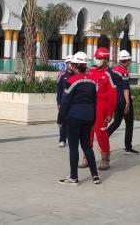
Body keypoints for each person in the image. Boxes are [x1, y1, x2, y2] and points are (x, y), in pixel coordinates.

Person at [57, 52, 101, 185]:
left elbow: (65, 101)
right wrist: (93, 118)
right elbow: (95, 101)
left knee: (74, 147)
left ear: (75, 66)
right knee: (87, 146)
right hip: (88, 117)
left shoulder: (71, 81)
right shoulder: (92, 81)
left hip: (74, 117)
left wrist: (60, 119)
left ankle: (74, 177)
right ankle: (95, 176)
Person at [83, 47, 117, 170]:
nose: (97, 60)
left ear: (106, 60)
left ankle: (105, 158)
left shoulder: (110, 74)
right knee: (87, 132)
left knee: (101, 133)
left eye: (100, 58)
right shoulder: (90, 72)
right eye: (96, 58)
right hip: (89, 106)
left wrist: (110, 112)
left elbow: (113, 96)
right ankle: (87, 156)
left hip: (102, 108)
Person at [107, 49, 139, 154]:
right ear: (127, 60)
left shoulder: (113, 69)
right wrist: (128, 103)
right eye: (129, 60)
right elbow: (125, 88)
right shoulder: (124, 72)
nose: (129, 62)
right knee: (129, 123)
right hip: (123, 101)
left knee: (116, 122)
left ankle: (104, 136)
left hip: (115, 100)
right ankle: (128, 147)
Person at [56, 54, 74, 148]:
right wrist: (59, 102)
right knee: (62, 120)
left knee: (72, 121)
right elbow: (59, 90)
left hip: (74, 102)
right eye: (69, 63)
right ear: (66, 64)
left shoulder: (77, 74)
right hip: (64, 102)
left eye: (72, 63)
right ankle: (62, 139)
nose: (71, 64)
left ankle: (72, 139)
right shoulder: (62, 75)